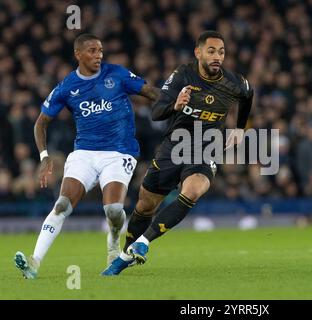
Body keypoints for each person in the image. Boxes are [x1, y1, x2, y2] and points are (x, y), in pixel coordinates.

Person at [102, 30, 253, 275]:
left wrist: (239, 128)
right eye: (211, 51)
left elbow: (248, 95)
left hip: (207, 147)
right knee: (145, 206)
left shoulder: (234, 82)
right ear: (198, 52)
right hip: (175, 147)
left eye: (222, 52)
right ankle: (125, 254)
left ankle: (143, 243)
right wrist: (175, 105)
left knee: (192, 191)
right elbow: (156, 112)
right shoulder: (183, 75)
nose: (217, 57)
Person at [14, 33, 160, 279]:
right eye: (92, 50)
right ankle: (34, 261)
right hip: (84, 152)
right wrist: (44, 155)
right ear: (78, 54)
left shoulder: (117, 74)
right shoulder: (67, 86)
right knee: (62, 205)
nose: (98, 55)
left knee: (113, 210)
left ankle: (113, 247)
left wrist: (179, 102)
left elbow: (152, 92)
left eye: (100, 50)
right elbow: (41, 123)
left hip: (119, 152)